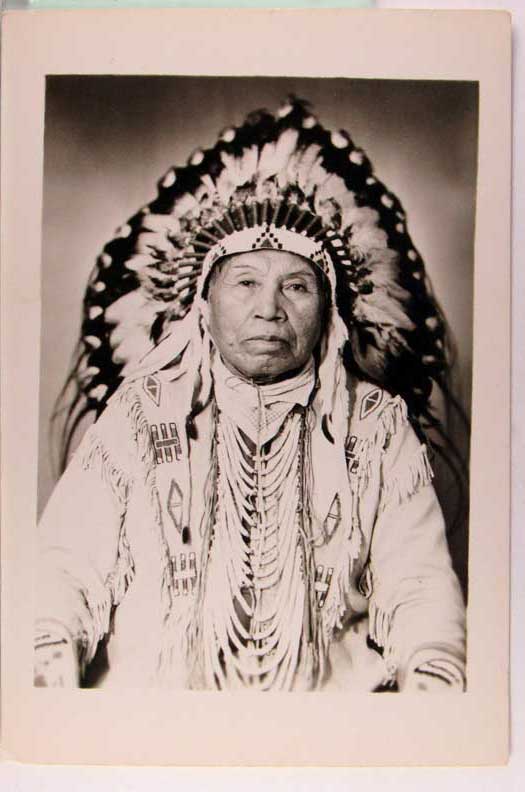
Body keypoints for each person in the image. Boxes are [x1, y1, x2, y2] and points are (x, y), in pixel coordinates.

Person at [35, 97, 466, 692]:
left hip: (330, 725)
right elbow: (64, 570)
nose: (269, 309)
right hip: (156, 719)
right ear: (204, 304)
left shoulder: (375, 423)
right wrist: (46, 655)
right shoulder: (139, 414)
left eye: (296, 286)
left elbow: (419, 586)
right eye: (245, 282)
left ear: (329, 311)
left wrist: (434, 672)